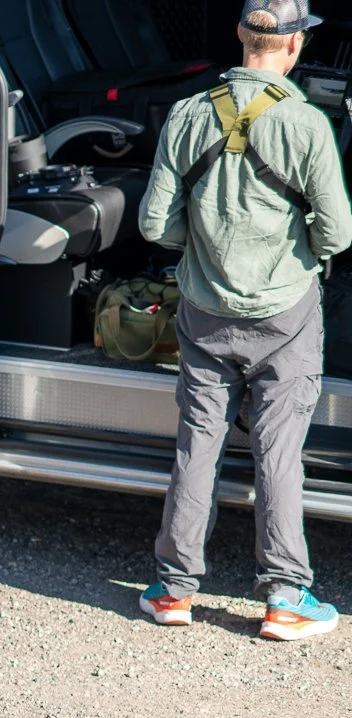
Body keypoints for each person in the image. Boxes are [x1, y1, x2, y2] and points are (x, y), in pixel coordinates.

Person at [137, 0, 352, 640]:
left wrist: (202, 252)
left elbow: (154, 223)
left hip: (204, 313)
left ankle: (173, 591)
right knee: (278, 451)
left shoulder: (187, 114)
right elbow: (337, 232)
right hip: (286, 316)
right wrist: (302, 254)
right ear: (295, 46)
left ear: (240, 35)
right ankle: (285, 597)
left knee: (197, 443)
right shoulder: (307, 124)